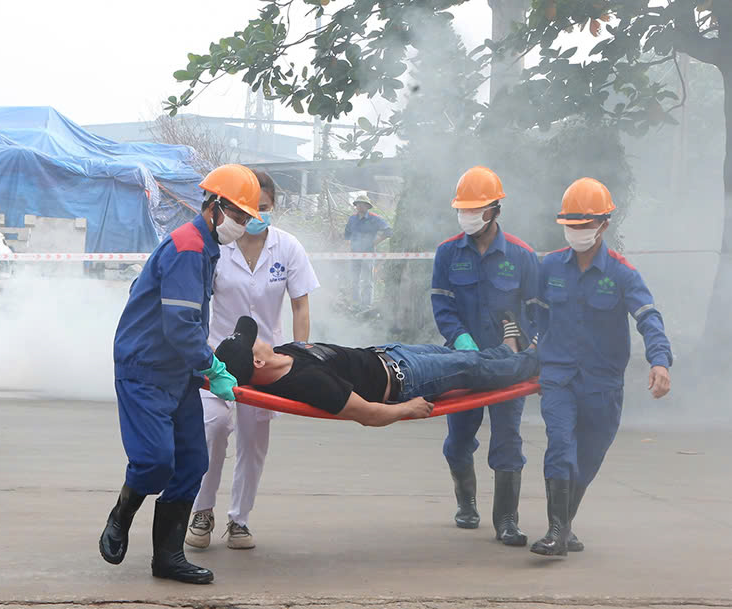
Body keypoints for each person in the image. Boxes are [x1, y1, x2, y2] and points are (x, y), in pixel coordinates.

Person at [98, 164, 262, 584]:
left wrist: (205, 365)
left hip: (178, 371)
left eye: (247, 219)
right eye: (239, 216)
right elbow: (179, 327)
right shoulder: (189, 248)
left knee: (191, 462)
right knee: (155, 461)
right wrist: (213, 367)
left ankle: (167, 558)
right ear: (215, 207)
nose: (242, 226)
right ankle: (122, 512)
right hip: (146, 368)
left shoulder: (206, 249)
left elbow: (187, 324)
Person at [531, 178, 673, 558]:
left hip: (602, 386)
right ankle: (555, 532)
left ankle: (566, 525)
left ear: (604, 225)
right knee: (560, 446)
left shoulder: (622, 273)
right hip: (558, 377)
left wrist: (659, 360)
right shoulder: (549, 269)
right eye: (571, 226)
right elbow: (537, 318)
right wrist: (532, 349)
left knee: (587, 460)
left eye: (585, 226)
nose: (577, 233)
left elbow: (649, 317)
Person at [185, 172, 320, 551]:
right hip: (215, 359)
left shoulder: (288, 247)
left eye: (263, 208)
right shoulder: (218, 246)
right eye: (249, 208)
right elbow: (196, 304)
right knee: (212, 429)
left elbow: (300, 303)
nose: (256, 215)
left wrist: (299, 353)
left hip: (266, 362)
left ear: (273, 207)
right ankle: (202, 510)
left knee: (253, 439)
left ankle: (239, 519)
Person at [430, 166, 540, 547]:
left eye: (475, 209)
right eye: (462, 209)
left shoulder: (523, 256)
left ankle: (507, 520)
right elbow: (442, 306)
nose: (467, 216)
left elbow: (537, 309)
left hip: (507, 365)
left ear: (494, 210)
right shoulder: (447, 252)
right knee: (459, 438)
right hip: (461, 363)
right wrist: (460, 340)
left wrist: (533, 346)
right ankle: (467, 502)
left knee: (508, 438)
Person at [213, 316, 538, 427]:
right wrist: (405, 410)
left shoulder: (282, 353)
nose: (261, 337)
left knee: (471, 358)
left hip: (392, 354)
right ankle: (539, 361)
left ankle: (508, 351)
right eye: (254, 341)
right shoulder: (307, 384)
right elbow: (366, 414)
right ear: (257, 363)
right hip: (408, 379)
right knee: (472, 367)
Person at [343, 193, 392, 308]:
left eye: (363, 204)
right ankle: (355, 303)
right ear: (355, 206)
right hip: (354, 254)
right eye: (358, 204)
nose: (360, 206)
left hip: (368, 253)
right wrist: (347, 244)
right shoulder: (352, 219)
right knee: (354, 280)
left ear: (368, 206)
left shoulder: (375, 219)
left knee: (367, 280)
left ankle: (366, 305)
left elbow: (389, 231)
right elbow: (347, 234)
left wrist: (376, 241)